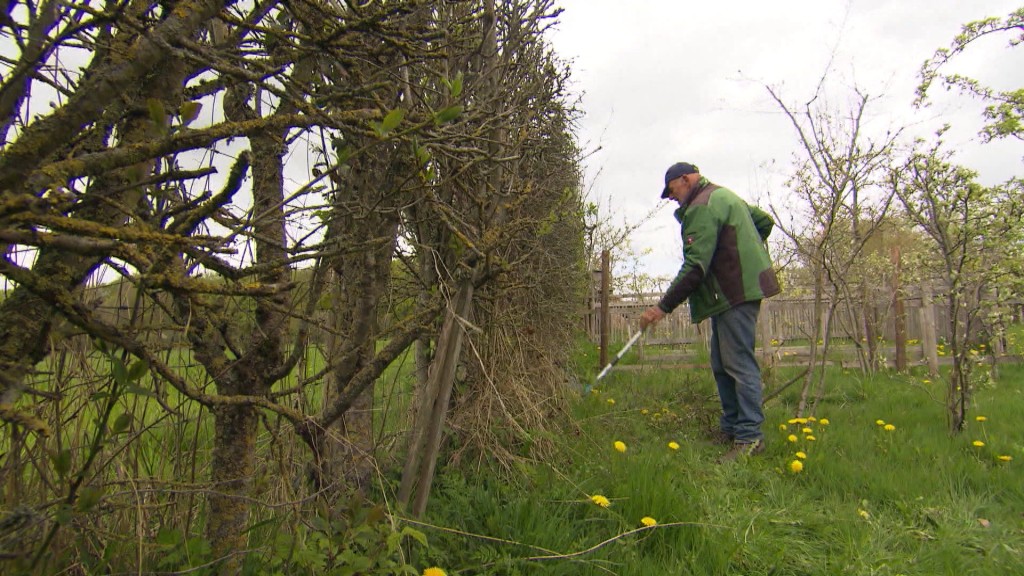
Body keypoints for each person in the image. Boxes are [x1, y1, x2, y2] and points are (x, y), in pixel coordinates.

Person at [639, 162, 780, 461]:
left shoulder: (701, 207)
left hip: (735, 291)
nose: (671, 198)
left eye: (672, 190)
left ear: (686, 179)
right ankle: (732, 428)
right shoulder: (724, 196)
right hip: (735, 291)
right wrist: (742, 249)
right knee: (721, 361)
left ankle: (750, 437)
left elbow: (696, 266)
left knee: (739, 363)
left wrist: (661, 308)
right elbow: (763, 223)